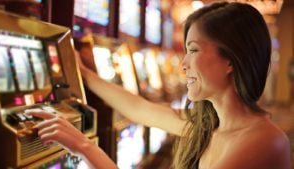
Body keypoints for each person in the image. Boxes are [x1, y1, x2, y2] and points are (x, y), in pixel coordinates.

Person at [26, 2, 291, 169]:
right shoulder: (211, 125)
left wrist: (84, 147)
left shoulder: (265, 142)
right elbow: (139, 108)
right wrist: (83, 73)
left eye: (193, 50)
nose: (183, 63)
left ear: (230, 60)